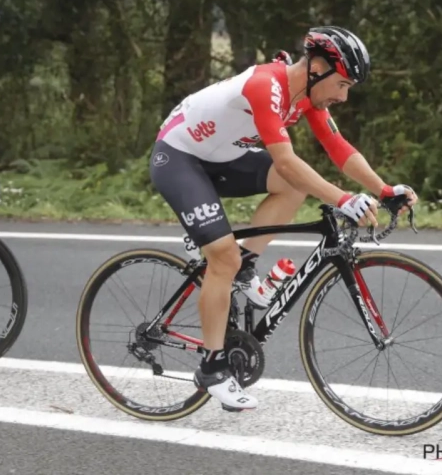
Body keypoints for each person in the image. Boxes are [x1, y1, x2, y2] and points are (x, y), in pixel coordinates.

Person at [149, 26, 418, 411]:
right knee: (222, 257)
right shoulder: (267, 85)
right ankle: (212, 368)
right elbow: (287, 161)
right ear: (318, 67)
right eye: (341, 84)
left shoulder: (305, 96)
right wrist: (343, 199)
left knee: (293, 190)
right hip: (179, 158)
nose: (342, 96)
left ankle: (246, 265)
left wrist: (384, 189)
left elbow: (338, 148)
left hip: (221, 157)